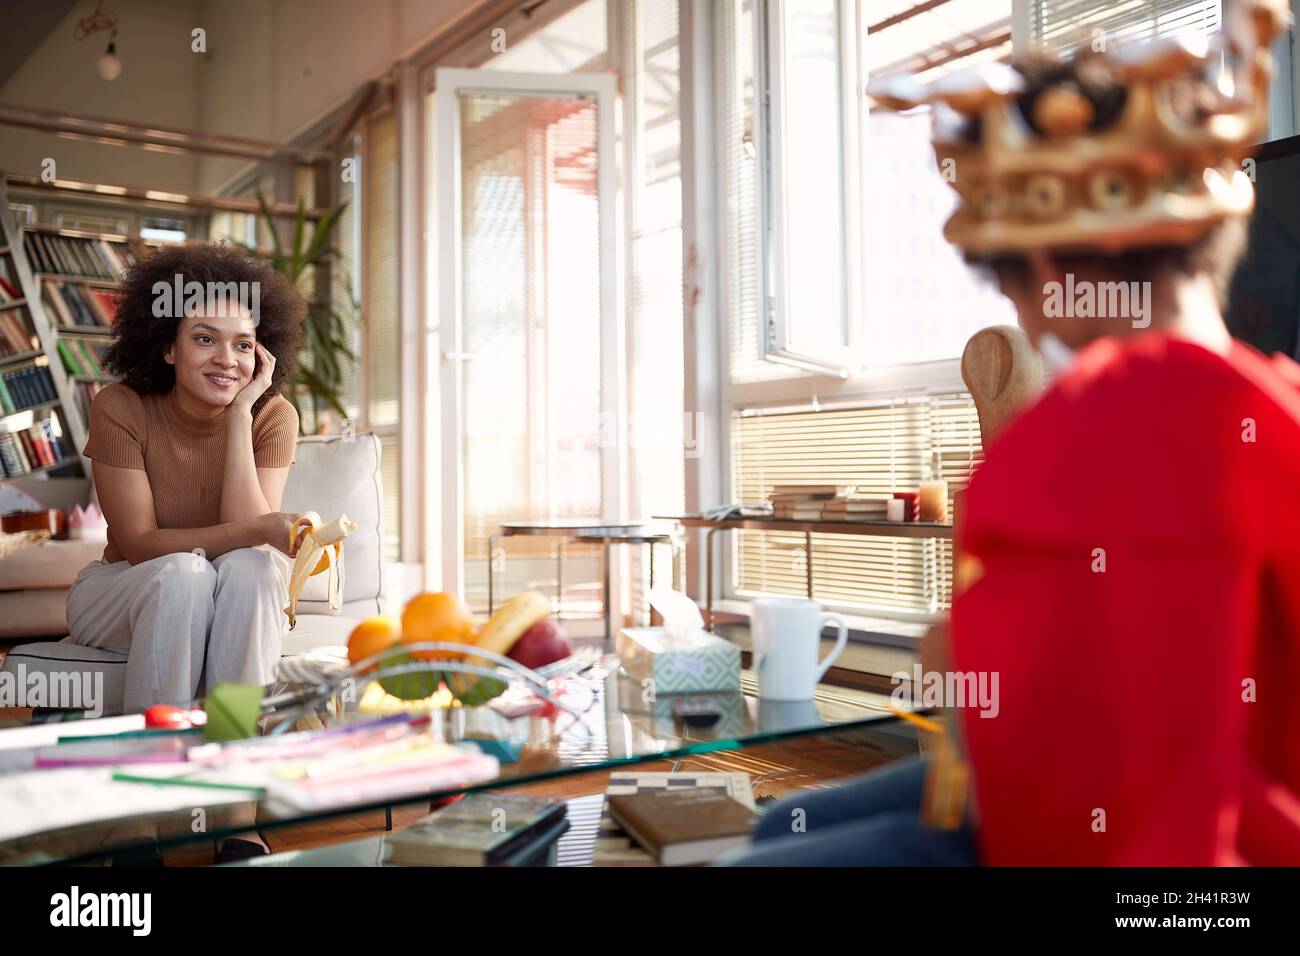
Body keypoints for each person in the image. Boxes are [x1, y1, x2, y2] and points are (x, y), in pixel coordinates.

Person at [729, 0, 1299, 865]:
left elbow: (974, 684)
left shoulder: (1076, 433)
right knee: (782, 822)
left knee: (759, 853)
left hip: (1112, 850)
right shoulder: (1280, 407)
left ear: (1039, 265)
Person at [68, 241, 305, 715]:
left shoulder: (272, 416)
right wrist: (258, 528)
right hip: (123, 586)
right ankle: (161, 757)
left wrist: (241, 413)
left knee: (254, 568)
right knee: (184, 574)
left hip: (228, 581)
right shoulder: (121, 406)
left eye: (243, 344)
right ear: (168, 348)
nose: (226, 358)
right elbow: (137, 543)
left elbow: (250, 549)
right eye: (204, 338)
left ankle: (232, 747)